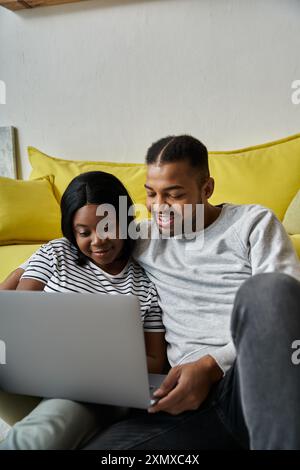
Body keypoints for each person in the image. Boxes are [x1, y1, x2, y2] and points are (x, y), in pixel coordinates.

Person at [3, 135, 300, 449]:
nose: (160, 208)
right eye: (151, 195)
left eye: (174, 195)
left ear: (207, 188)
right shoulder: (138, 236)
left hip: (248, 380)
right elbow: (70, 246)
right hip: (186, 405)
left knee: (270, 290)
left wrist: (209, 366)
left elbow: (282, 312)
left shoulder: (252, 223)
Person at [0, 171, 166, 450]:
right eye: (84, 232)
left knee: (41, 437)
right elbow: (18, 314)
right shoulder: (56, 253)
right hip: (30, 376)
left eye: (107, 228)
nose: (98, 241)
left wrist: (98, 362)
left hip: (94, 387)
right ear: (71, 231)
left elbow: (156, 361)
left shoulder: (144, 285)